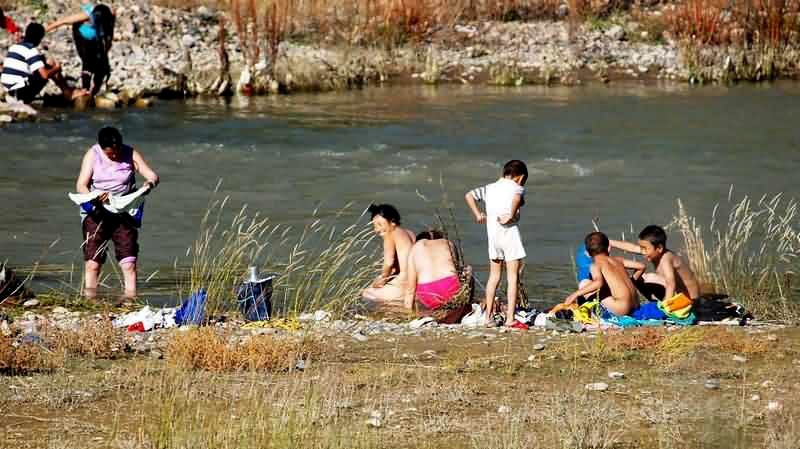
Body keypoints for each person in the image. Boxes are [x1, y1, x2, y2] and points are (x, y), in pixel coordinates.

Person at [75, 126, 159, 298]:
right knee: (93, 263)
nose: (115, 156)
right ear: (101, 148)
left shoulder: (130, 153)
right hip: (97, 210)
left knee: (129, 263)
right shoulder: (93, 154)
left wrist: (148, 185)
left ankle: (130, 300)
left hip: (124, 210)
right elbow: (81, 186)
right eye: (110, 154)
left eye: (117, 151)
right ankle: (90, 302)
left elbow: (152, 176)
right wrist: (95, 197)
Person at [465, 159, 528, 328]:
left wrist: (478, 215)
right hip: (509, 235)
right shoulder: (517, 187)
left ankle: (488, 318)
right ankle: (509, 319)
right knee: (512, 277)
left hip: (493, 237)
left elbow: (469, 195)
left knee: (494, 277)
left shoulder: (489, 188)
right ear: (520, 177)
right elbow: (516, 198)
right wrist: (511, 214)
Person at [610, 225, 700, 300]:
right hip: (677, 293)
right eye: (641, 248)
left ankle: (663, 303)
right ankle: (655, 300)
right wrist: (608, 242)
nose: (642, 252)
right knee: (639, 278)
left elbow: (670, 283)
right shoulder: (654, 252)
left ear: (659, 248)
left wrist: (666, 307)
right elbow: (632, 247)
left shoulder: (666, 259)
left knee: (649, 277)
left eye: (645, 248)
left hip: (690, 300)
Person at [1, 23, 85, 104]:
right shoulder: (31, 50)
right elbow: (44, 75)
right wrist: (57, 68)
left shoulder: (14, 47)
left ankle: (67, 92)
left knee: (47, 63)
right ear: (39, 38)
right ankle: (68, 93)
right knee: (51, 66)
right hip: (20, 93)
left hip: (9, 90)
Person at [564, 232, 643, 317]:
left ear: (587, 253)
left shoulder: (595, 265)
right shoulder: (618, 260)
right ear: (608, 247)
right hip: (636, 305)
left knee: (585, 284)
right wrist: (632, 281)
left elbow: (598, 283)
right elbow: (641, 266)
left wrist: (575, 294)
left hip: (622, 309)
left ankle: (592, 313)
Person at [46, 2, 114, 95]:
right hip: (81, 34)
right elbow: (62, 22)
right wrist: (42, 31)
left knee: (102, 66)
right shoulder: (86, 16)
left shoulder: (110, 18)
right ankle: (85, 89)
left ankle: (93, 91)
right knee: (88, 61)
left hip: (95, 37)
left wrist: (104, 54)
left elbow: (109, 38)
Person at [362, 204, 416, 306]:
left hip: (404, 284)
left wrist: (382, 280)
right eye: (374, 226)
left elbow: (389, 262)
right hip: (415, 283)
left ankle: (392, 308)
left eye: (380, 224)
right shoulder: (409, 233)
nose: (376, 230)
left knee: (366, 293)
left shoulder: (391, 233)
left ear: (392, 221)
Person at [404, 230, 463, 312]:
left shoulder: (416, 247)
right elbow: (458, 273)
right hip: (451, 288)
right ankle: (464, 310)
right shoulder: (448, 243)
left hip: (427, 293)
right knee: (468, 270)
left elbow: (410, 290)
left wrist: (408, 314)